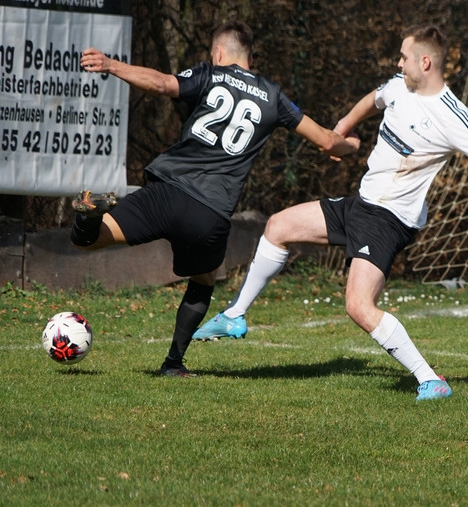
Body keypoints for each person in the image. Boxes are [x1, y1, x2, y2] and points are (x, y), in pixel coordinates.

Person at [194, 24, 468, 400]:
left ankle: (430, 380)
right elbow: (374, 98)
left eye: (404, 57)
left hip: (389, 220)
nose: (398, 63)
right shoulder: (400, 86)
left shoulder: (452, 115)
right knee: (278, 226)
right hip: (362, 204)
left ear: (425, 62)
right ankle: (235, 315)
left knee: (358, 306)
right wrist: (343, 127)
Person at [70, 21, 360, 377]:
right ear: (250, 57)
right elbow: (327, 141)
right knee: (204, 280)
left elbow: (161, 84)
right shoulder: (273, 96)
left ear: (218, 53)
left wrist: (111, 65)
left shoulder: (210, 74)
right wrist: (349, 146)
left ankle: (88, 216)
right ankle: (173, 363)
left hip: (167, 192)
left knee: (88, 240)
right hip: (209, 213)